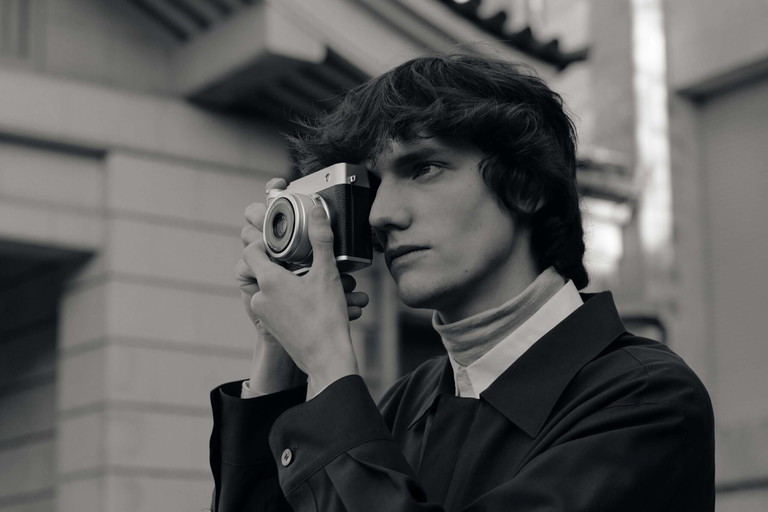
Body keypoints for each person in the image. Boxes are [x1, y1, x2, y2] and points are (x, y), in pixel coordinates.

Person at [209, 54, 714, 511]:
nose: (381, 214)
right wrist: (279, 353)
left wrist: (327, 360)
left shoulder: (645, 399)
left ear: (526, 185)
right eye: (374, 184)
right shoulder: (408, 401)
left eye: (424, 168)